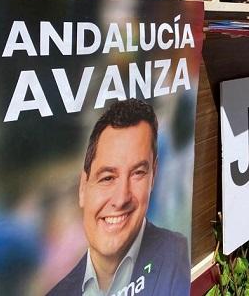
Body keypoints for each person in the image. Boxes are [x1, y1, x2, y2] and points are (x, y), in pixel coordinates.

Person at [48, 99, 190, 296]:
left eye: (138, 173)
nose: (122, 197)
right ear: (83, 188)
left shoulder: (175, 253)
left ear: (153, 176)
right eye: (107, 177)